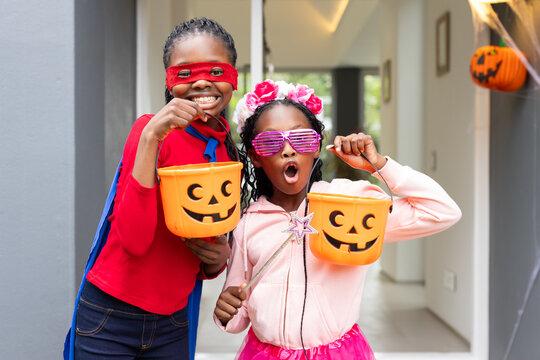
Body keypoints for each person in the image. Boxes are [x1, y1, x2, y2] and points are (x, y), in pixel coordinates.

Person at [213, 79, 462, 359]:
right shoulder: (248, 222)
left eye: (302, 138)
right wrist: (226, 312)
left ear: (317, 148)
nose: (288, 150)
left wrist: (379, 166)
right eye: (271, 142)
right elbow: (238, 313)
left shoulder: (350, 204)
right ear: (256, 157)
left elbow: (441, 211)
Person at [68, 17, 240, 359]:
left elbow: (204, 238)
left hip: (172, 321)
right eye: (186, 73)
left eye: (216, 72)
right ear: (169, 80)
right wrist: (149, 139)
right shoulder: (150, 131)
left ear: (233, 77)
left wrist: (219, 259)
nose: (203, 82)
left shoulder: (223, 148)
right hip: (110, 316)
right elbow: (134, 241)